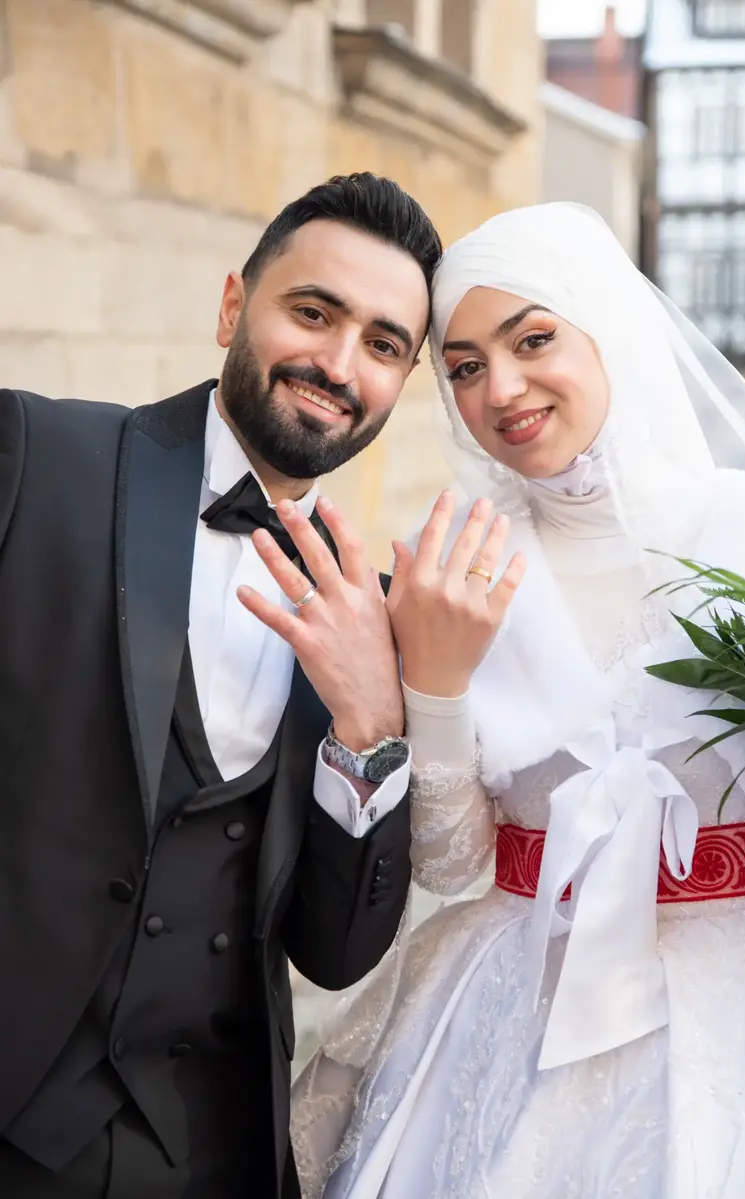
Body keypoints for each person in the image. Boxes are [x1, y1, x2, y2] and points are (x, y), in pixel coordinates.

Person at [290, 203, 745, 1199]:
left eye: (532, 341)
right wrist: (436, 687)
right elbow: (454, 863)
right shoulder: (451, 561)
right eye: (464, 366)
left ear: (606, 329)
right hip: (513, 986)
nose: (502, 390)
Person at [0, 172, 442, 1199]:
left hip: (216, 1150)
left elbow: (336, 951)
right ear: (233, 306)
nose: (339, 365)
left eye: (383, 345)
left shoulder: (375, 617)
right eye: (313, 312)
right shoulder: (37, 455)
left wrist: (369, 722)